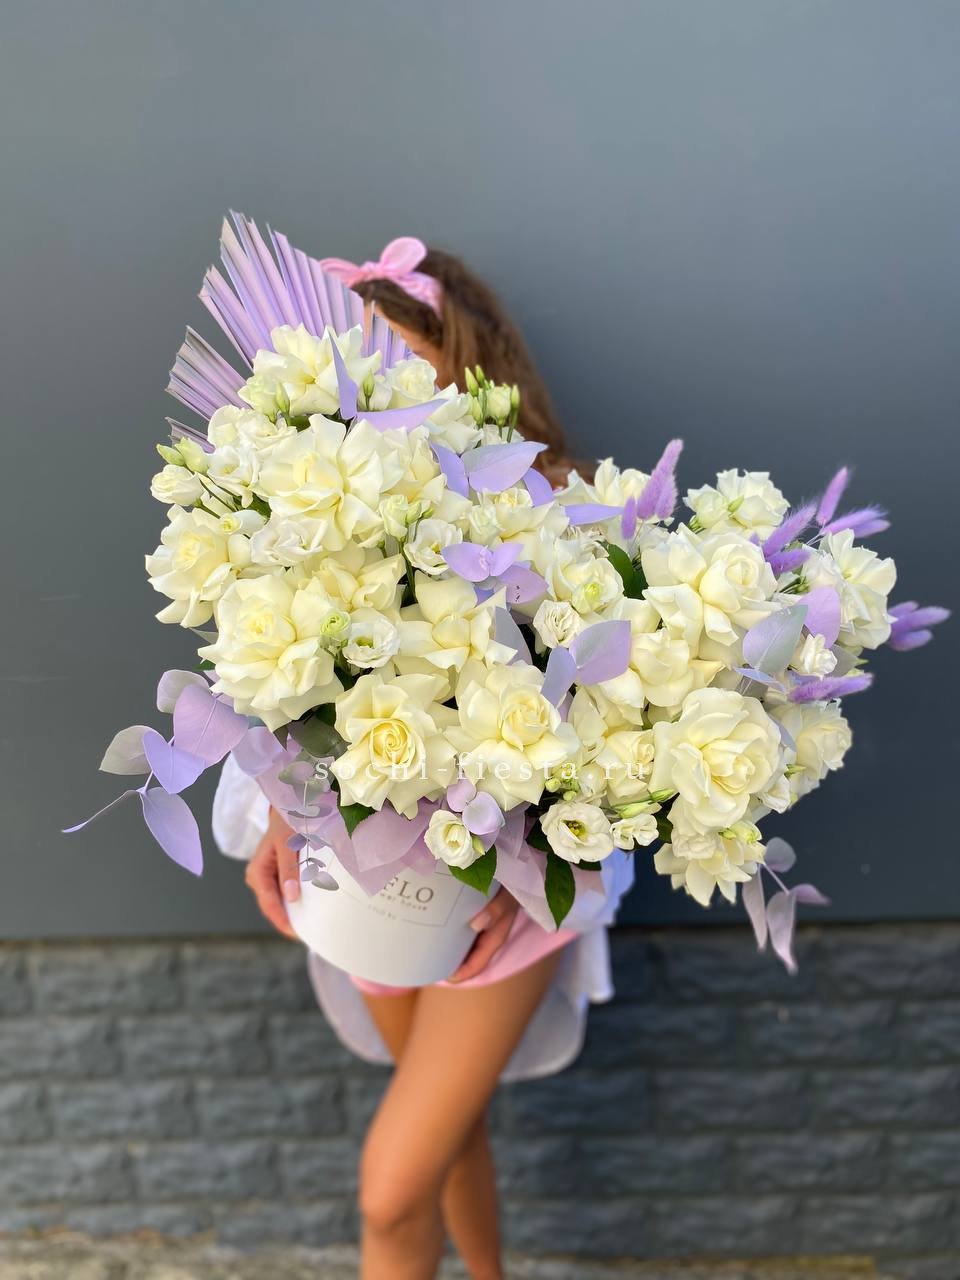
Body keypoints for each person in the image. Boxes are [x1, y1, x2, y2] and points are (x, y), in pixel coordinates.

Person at [215, 240, 632, 1280]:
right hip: (368, 878)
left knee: (390, 1188)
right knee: (442, 1131)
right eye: (365, 366)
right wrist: (281, 813)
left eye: (407, 362)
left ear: (467, 368)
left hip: (504, 907)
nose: (387, 391)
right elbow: (279, 699)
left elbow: (619, 734)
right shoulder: (317, 521)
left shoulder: (561, 514)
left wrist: (538, 865)